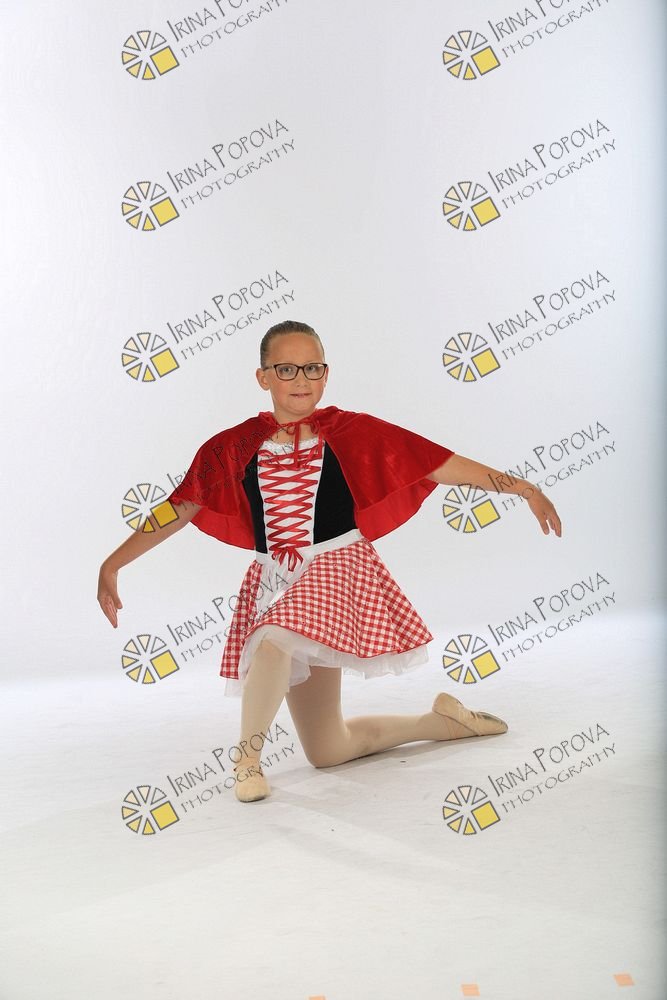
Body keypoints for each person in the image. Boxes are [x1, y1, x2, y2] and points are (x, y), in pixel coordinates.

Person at [98, 320, 562, 804]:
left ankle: (246, 761)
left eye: (312, 368)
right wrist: (113, 563)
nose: (301, 379)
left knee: (272, 639)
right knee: (327, 749)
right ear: (263, 377)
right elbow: (180, 508)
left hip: (337, 568)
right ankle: (442, 722)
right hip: (277, 579)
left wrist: (523, 487)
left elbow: (438, 463)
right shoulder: (233, 446)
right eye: (286, 369)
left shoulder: (351, 431)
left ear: (326, 373)